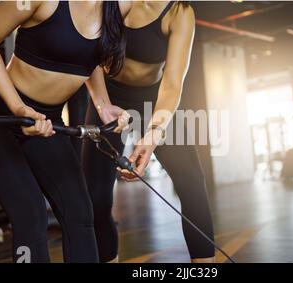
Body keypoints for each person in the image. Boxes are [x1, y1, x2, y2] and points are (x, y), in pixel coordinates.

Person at [0, 0, 130, 263]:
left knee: (80, 213)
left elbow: (89, 55)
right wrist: (18, 108)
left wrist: (103, 105)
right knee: (30, 214)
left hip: (45, 124)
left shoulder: (120, 5)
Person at [82, 1, 216, 263]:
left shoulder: (179, 13)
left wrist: (154, 132)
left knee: (193, 187)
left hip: (155, 100)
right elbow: (88, 56)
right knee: (95, 198)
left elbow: (172, 83)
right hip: (108, 98)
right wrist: (102, 105)